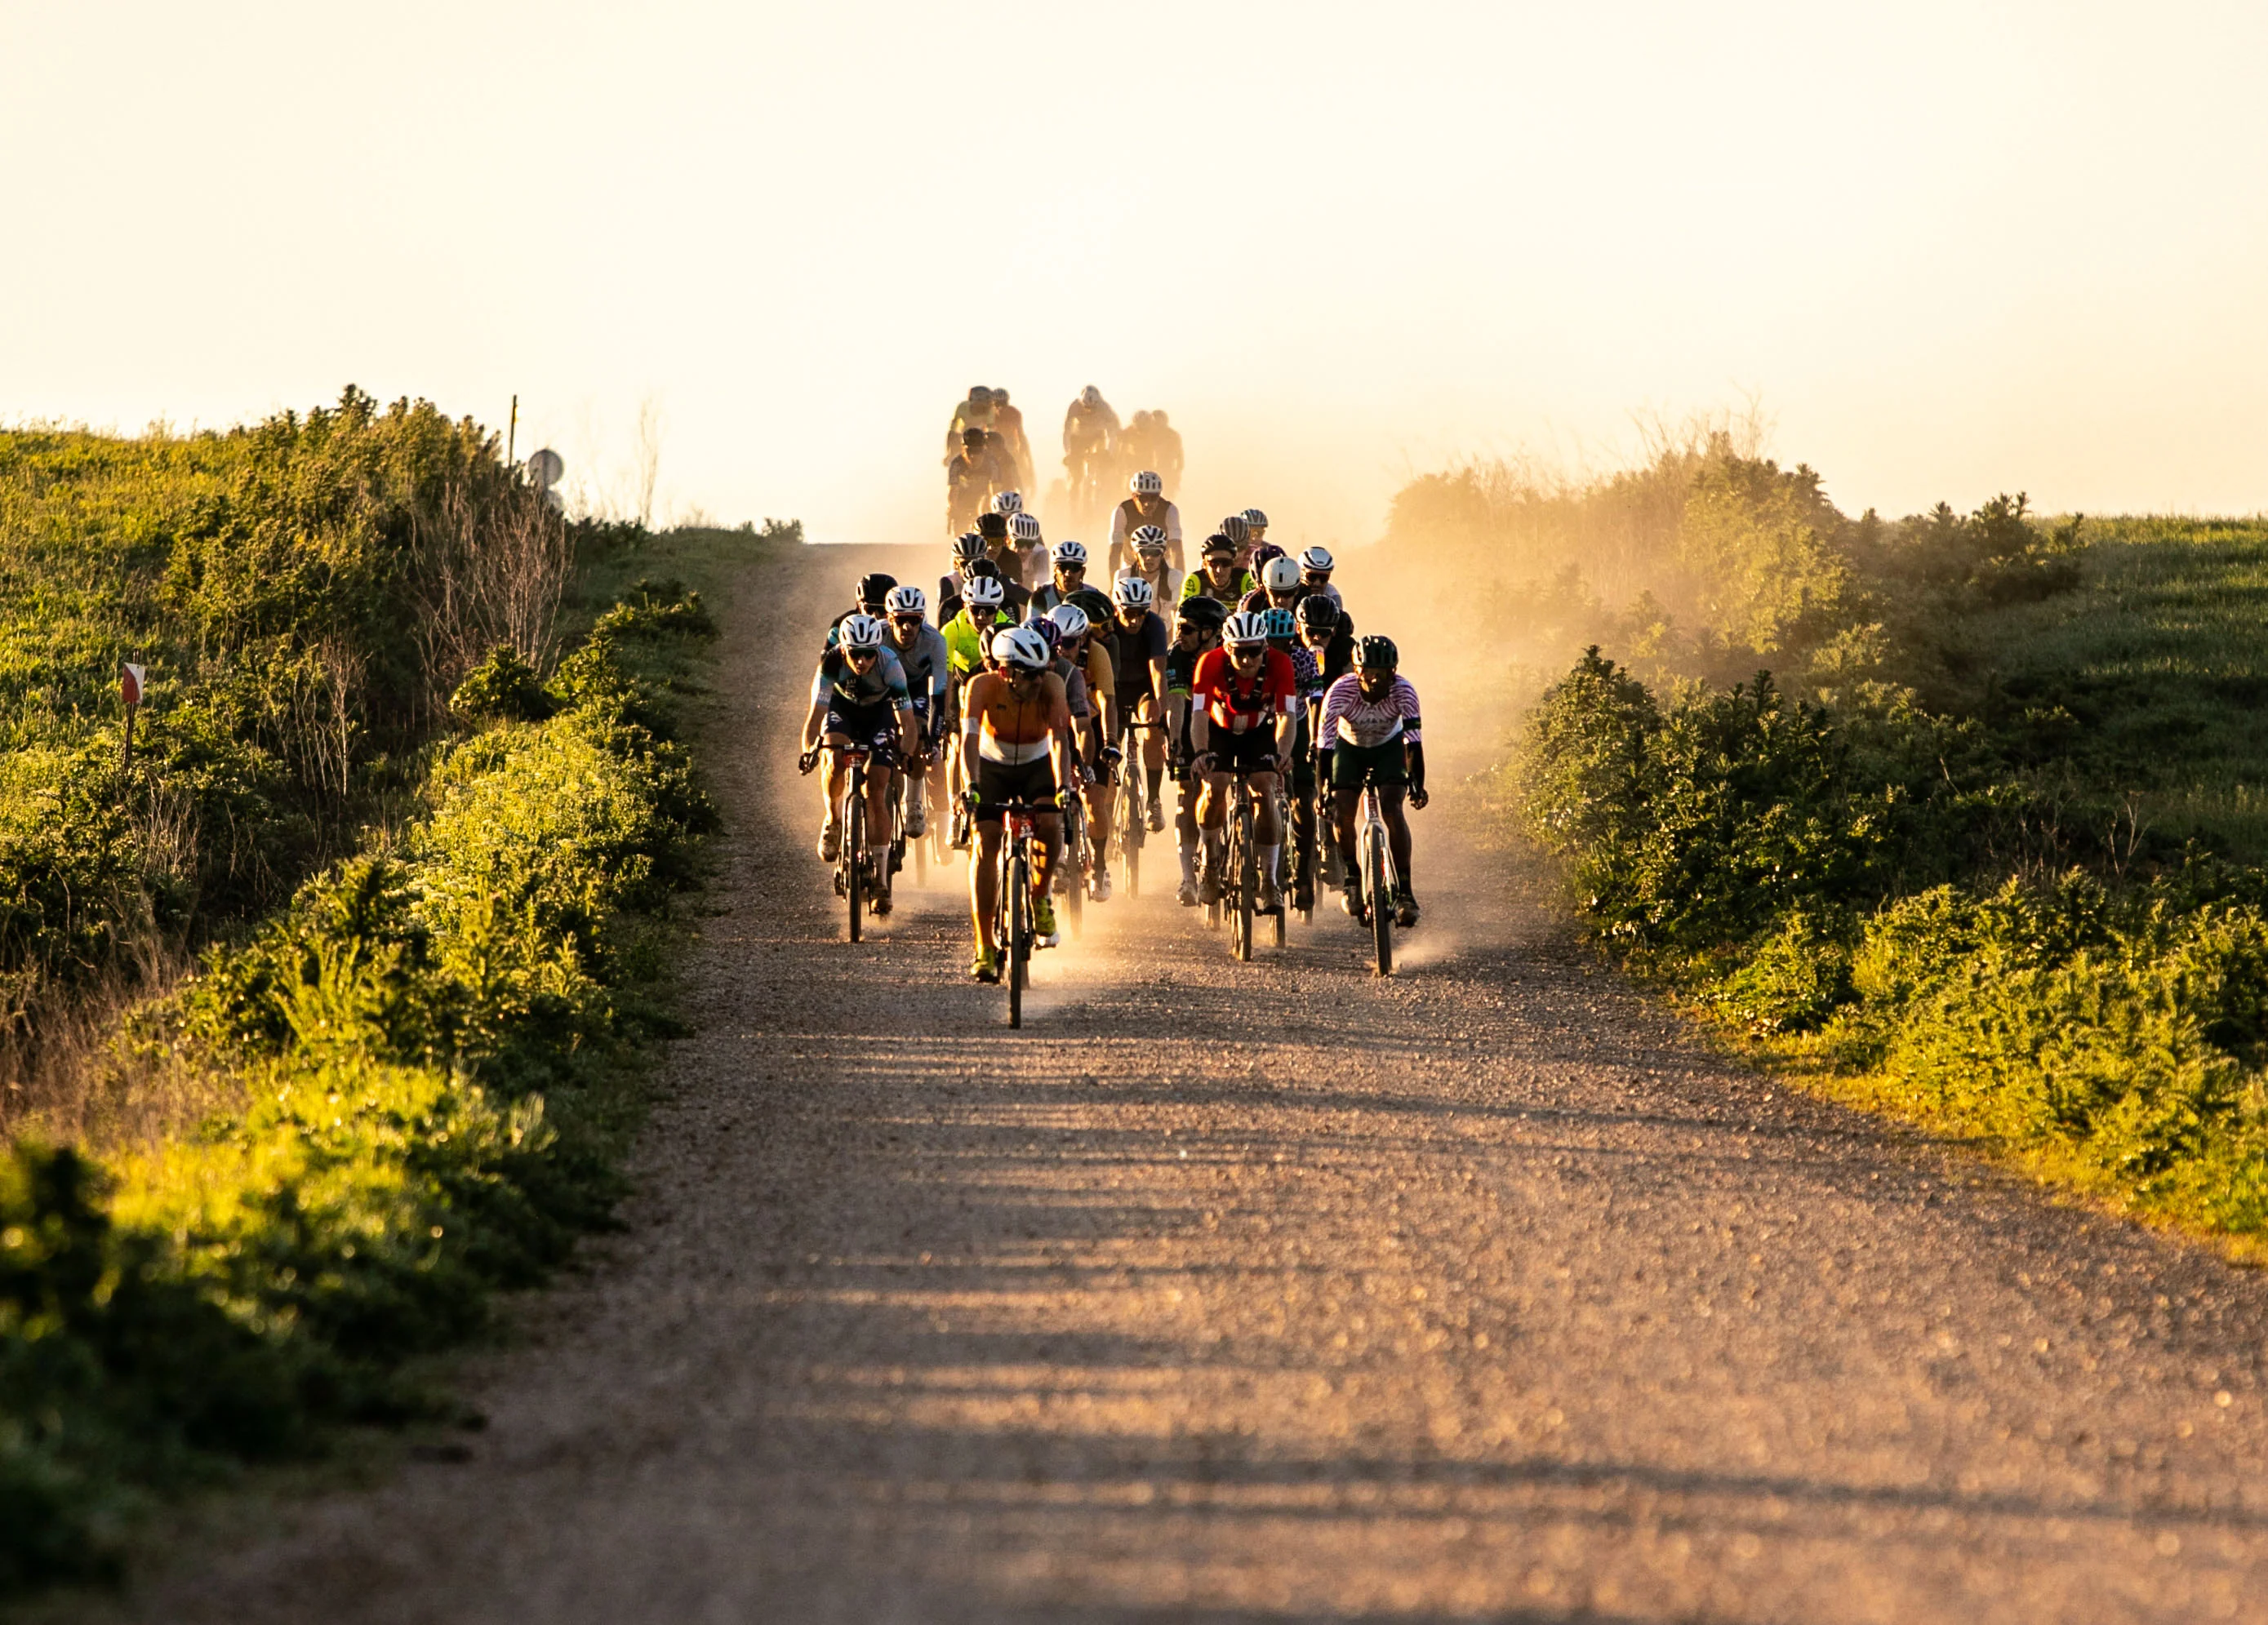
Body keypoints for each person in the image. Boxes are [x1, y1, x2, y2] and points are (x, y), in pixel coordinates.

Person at [962, 624, 1074, 981]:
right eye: (1029, 676)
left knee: (1050, 823)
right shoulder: (979, 686)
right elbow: (968, 740)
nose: (1038, 681)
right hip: (992, 766)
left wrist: (1064, 787)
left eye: (1042, 672)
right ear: (1005, 672)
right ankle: (984, 947)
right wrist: (971, 786)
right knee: (985, 843)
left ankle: (1040, 897)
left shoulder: (1053, 686)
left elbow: (1059, 741)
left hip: (1037, 765)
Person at [799, 613, 919, 917]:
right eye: (856, 654)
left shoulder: (890, 665)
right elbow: (816, 718)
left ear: (877, 651)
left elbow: (907, 723)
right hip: (842, 710)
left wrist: (904, 753)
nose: (863, 661)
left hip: (878, 715)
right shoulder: (831, 663)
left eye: (869, 654)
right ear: (844, 650)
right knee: (833, 755)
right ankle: (833, 819)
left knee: (876, 790)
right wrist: (809, 751)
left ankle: (881, 881)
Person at [1189, 610, 1298, 912]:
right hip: (1218, 729)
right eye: (1239, 652)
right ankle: (1211, 861)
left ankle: (1269, 878)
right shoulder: (1208, 663)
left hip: (1259, 732)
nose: (1247, 660)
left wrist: (1281, 754)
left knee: (1264, 787)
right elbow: (1198, 714)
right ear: (1227, 648)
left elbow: (1287, 717)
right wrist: (1200, 752)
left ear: (1265, 647)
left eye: (1253, 652)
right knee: (1216, 785)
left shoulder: (1281, 664)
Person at [1318, 634, 1426, 927]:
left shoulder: (1404, 691)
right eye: (1369, 674)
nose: (1376, 682)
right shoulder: (1340, 692)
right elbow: (1325, 746)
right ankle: (1352, 875)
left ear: (1394, 672)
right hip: (1348, 747)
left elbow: (1413, 743)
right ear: (1357, 671)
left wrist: (1417, 783)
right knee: (1342, 810)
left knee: (1392, 809)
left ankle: (1405, 892)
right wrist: (1322, 790)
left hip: (1388, 748)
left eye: (1383, 674)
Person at [1049, 602, 1120, 899]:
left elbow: (1107, 701)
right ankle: (1057, 861)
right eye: (1057, 644)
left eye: (1069, 644)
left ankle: (1100, 866)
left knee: (1095, 800)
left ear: (1083, 639)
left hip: (1089, 723)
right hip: (1054, 726)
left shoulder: (1098, 654)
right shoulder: (1046, 658)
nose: (1063, 651)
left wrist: (1112, 741)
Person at [941, 572, 1012, 846]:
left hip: (994, 684)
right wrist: (947, 714)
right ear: (964, 607)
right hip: (961, 683)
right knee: (958, 745)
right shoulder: (952, 630)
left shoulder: (1007, 627)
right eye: (975, 610)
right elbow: (945, 675)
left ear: (998, 610)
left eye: (989, 611)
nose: (982, 616)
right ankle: (953, 815)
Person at [1163, 594, 1227, 905]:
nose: (1180, 634)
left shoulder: (1231, 653)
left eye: (1187, 629)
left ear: (1210, 632)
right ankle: (1188, 877)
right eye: (1178, 627)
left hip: (1225, 718)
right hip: (1190, 716)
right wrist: (1174, 740)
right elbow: (1175, 702)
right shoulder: (1177, 654)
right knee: (1187, 792)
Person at [882, 584, 949, 840]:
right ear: (889, 620)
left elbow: (939, 694)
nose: (907, 628)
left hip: (917, 688)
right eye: (900, 621)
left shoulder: (934, 641)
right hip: (884, 688)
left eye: (914, 620)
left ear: (922, 619)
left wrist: (932, 736)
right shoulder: (877, 635)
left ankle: (913, 804)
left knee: (921, 735)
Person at [1106, 575, 1172, 837]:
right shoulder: (1107, 626)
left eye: (1141, 614)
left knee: (1152, 725)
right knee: (1109, 745)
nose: (1135, 620)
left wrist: (1164, 714)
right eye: (1129, 613)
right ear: (1117, 609)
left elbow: (1157, 670)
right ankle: (1106, 814)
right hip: (1113, 689)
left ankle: (1154, 800)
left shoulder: (1154, 625)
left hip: (1142, 687)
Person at [1108, 470, 1185, 575]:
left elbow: (1177, 551)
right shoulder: (1122, 511)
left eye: (1153, 498)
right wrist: (1113, 585)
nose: (1148, 504)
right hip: (1131, 564)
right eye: (1143, 498)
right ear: (1134, 497)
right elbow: (1115, 552)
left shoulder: (1170, 510)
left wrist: (1181, 583)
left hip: (1162, 564)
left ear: (1159, 496)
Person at [1062, 386, 1120, 506]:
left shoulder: (1104, 408)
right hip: (1078, 438)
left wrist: (1109, 453)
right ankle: (1073, 501)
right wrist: (1069, 453)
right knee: (1076, 476)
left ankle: (1101, 496)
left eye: (1093, 408)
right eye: (1086, 408)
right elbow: (1067, 432)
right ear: (1081, 403)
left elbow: (1112, 434)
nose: (1089, 411)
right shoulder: (1074, 406)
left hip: (1097, 437)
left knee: (1103, 467)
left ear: (1098, 403)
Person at [976, 514, 1033, 615]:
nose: (991, 547)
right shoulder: (970, 557)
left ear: (1004, 541)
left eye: (996, 541)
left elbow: (1017, 596)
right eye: (986, 541)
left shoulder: (1012, 559)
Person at [1180, 533, 1255, 607]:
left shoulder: (1245, 578)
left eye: (1226, 563)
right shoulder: (1194, 580)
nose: (1219, 570)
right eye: (1213, 564)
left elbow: (1255, 612)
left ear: (1233, 564)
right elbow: (1182, 614)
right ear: (1204, 564)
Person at [1118, 524, 1182, 606]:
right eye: (1143, 552)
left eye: (1155, 553)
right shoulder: (1123, 577)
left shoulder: (1175, 578)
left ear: (1163, 555)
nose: (1149, 558)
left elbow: (1176, 613)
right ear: (1134, 554)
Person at [1029, 538, 1092, 616]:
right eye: (1063, 567)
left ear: (1083, 571)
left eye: (1075, 568)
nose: (1068, 574)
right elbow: (1029, 625)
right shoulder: (1041, 595)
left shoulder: (1093, 596)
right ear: (1055, 570)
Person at [936, 532, 989, 624]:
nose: (971, 568)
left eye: (975, 563)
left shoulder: (992, 578)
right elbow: (943, 619)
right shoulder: (949, 582)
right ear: (956, 564)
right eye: (965, 564)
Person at [945, 428, 989, 535]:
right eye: (969, 451)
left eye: (978, 451)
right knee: (958, 519)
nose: (973, 456)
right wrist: (952, 510)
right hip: (963, 497)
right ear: (962, 449)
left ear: (984, 450)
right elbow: (953, 490)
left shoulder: (991, 463)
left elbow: (996, 492)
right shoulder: (957, 463)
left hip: (984, 496)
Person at [990, 388, 1033, 488]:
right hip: (993, 445)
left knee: (1017, 465)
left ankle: (1022, 484)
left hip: (1011, 444)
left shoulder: (1014, 412)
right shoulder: (990, 414)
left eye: (1003, 404)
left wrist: (1024, 450)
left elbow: (1020, 432)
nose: (1000, 407)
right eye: (997, 404)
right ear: (993, 404)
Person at [1149, 409, 1185, 491]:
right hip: (1148, 467)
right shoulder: (1148, 434)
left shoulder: (1172, 435)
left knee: (1168, 490)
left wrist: (1178, 469)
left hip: (1167, 467)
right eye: (1155, 422)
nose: (1157, 424)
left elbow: (1179, 453)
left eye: (1159, 421)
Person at [1298, 544, 1343, 610]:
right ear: (1301, 573)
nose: (1317, 583)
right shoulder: (1289, 590)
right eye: (1312, 576)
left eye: (1323, 578)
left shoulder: (1333, 597)